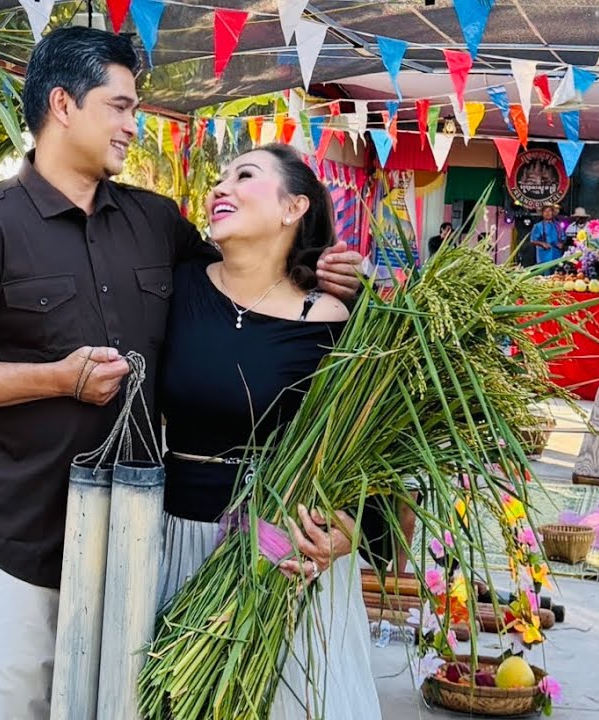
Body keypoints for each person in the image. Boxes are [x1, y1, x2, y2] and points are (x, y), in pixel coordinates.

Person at [0, 28, 363, 720]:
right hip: (25, 543)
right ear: (62, 104)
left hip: (142, 548)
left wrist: (321, 271)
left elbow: (249, 285)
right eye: (118, 106)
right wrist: (57, 378)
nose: (132, 124)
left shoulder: (155, 223)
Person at [158, 143, 379, 719]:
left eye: (245, 175)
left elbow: (364, 448)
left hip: (282, 556)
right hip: (174, 543)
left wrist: (346, 531)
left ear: (293, 208)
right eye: (220, 177)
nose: (220, 187)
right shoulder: (174, 287)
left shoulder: (331, 318)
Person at [529, 202, 562, 270]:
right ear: (542, 213)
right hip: (543, 257)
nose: (547, 213)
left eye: (549, 211)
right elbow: (532, 240)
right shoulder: (538, 226)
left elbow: (563, 237)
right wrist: (542, 244)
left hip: (556, 256)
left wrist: (561, 243)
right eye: (545, 211)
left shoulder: (558, 225)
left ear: (552, 212)